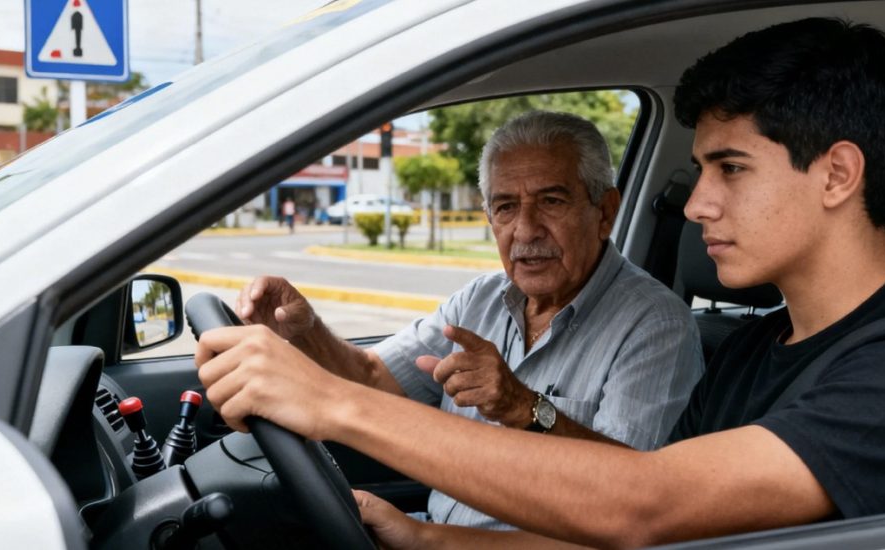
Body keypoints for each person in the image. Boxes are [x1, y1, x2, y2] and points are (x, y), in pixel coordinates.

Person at [196, 18, 885, 548]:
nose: (696, 203)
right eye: (700, 170)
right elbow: (632, 523)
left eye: (730, 168)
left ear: (838, 173)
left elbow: (647, 506)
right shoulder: (760, 348)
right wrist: (430, 541)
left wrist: (334, 404)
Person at [223, 110, 702, 530]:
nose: (526, 230)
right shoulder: (482, 298)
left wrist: (526, 408)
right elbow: (371, 377)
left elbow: (635, 502)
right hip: (428, 530)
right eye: (506, 207)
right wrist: (308, 331)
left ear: (605, 212)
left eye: (551, 202)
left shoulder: (657, 324)